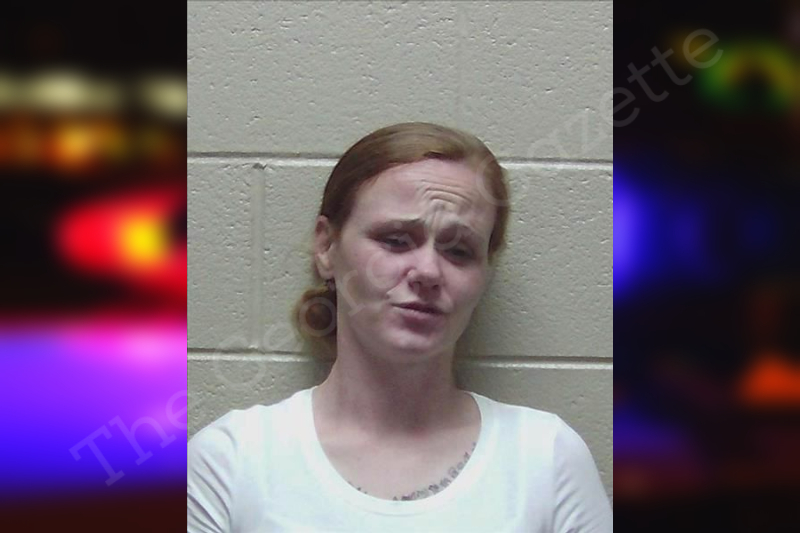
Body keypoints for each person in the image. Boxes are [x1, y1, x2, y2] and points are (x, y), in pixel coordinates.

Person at [187, 123, 612, 532]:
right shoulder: (231, 463)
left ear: (484, 272)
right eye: (395, 240)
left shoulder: (546, 459)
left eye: (459, 250)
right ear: (326, 247)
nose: (427, 271)